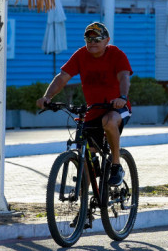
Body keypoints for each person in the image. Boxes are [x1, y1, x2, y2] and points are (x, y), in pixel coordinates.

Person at [37, 22, 132, 186]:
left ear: (107, 40)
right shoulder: (81, 55)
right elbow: (62, 77)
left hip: (117, 107)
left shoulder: (116, 54)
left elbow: (124, 76)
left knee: (109, 121)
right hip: (93, 110)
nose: (92, 42)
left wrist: (122, 97)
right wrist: (48, 97)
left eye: (97, 39)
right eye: (89, 39)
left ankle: (116, 165)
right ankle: (83, 199)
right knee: (85, 153)